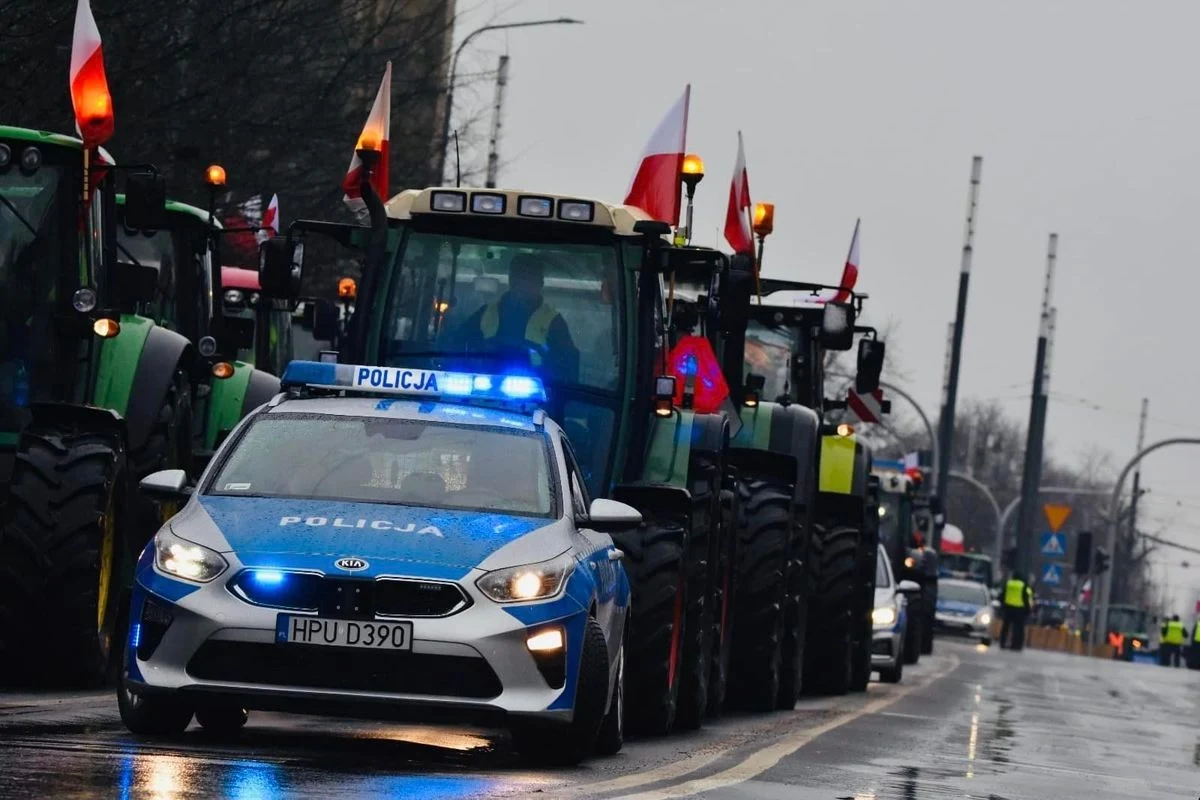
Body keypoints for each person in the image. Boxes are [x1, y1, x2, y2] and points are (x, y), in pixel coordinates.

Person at [454, 253, 579, 382]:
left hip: (538, 395)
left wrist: (552, 389)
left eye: (529, 278)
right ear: (511, 280)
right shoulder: (486, 313)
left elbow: (568, 367)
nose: (523, 283)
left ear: (540, 283)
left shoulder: (553, 321)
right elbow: (456, 345)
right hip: (483, 389)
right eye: (519, 277)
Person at [999, 571, 1033, 651]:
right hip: (1019, 609)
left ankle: (1002, 643)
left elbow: (1002, 595)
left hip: (1008, 608)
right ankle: (1016, 645)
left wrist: (1003, 605)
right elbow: (1025, 598)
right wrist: (1028, 610)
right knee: (1018, 628)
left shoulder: (1008, 584)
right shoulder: (1023, 586)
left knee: (1005, 626)